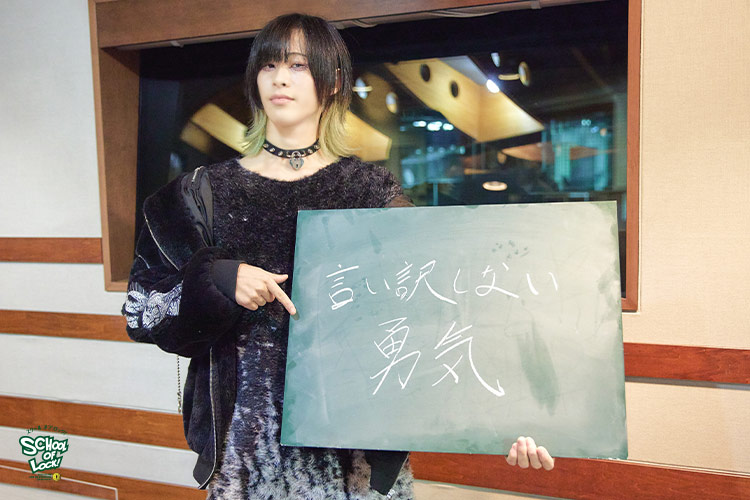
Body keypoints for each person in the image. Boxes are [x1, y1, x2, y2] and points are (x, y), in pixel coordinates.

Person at [122, 13, 554, 500]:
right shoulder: (202, 194)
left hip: (356, 460)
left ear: (332, 82)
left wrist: (512, 414)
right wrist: (217, 279)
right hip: (245, 460)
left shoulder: (370, 193)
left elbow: (443, 311)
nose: (280, 78)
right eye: (268, 65)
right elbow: (141, 310)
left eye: (298, 65)